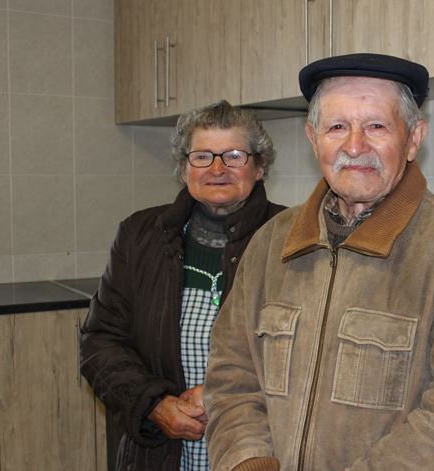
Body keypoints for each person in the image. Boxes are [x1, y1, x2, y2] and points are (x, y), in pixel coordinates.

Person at [204, 53, 434, 471]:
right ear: (313, 139)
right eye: (336, 127)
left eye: (376, 126)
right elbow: (232, 377)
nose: (354, 146)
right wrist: (249, 462)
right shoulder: (270, 244)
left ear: (414, 138)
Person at [79, 100, 287, 471]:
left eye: (234, 156)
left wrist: (225, 395)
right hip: (159, 454)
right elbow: (100, 340)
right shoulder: (138, 236)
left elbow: (314, 355)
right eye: (202, 156)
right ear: (183, 168)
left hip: (260, 453)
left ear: (259, 167)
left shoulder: (294, 239)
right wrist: (154, 405)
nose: (218, 169)